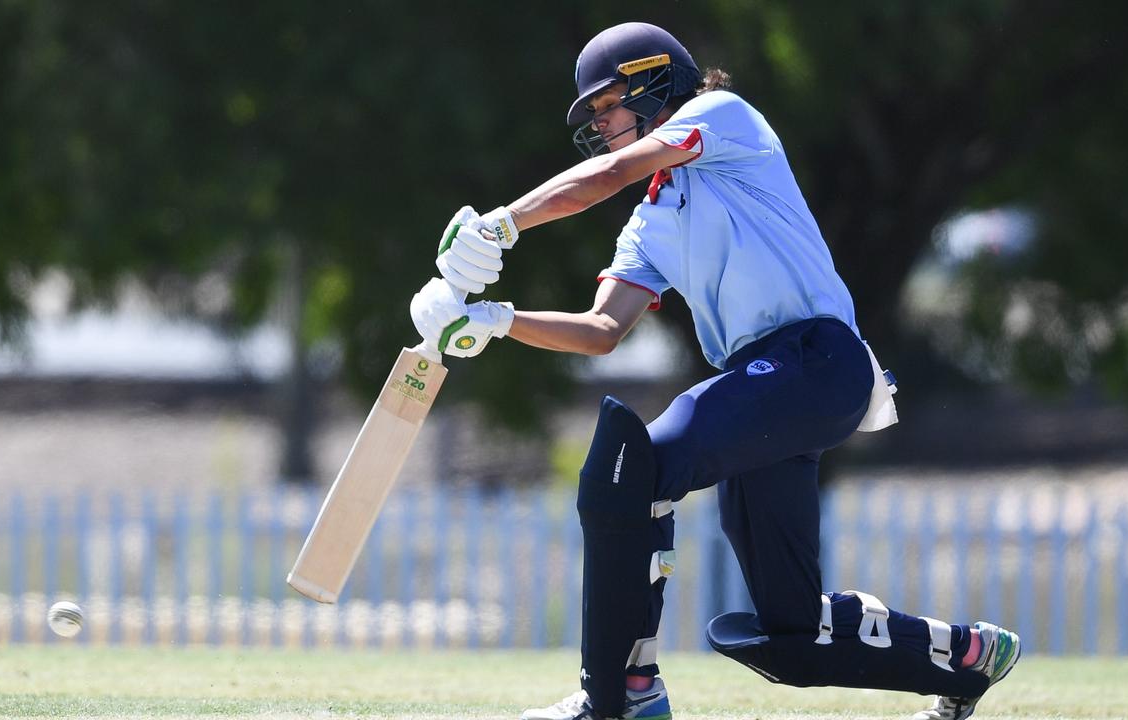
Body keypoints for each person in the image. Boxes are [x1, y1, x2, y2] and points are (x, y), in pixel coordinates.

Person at [409, 22, 1019, 720]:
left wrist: (503, 223)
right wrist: (494, 322)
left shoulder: (721, 117)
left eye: (609, 104)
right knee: (791, 637)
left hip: (816, 361)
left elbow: (608, 175)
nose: (602, 124)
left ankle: (621, 695)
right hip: (774, 390)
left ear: (654, 80)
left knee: (631, 469)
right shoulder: (651, 219)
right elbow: (603, 330)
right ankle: (968, 656)